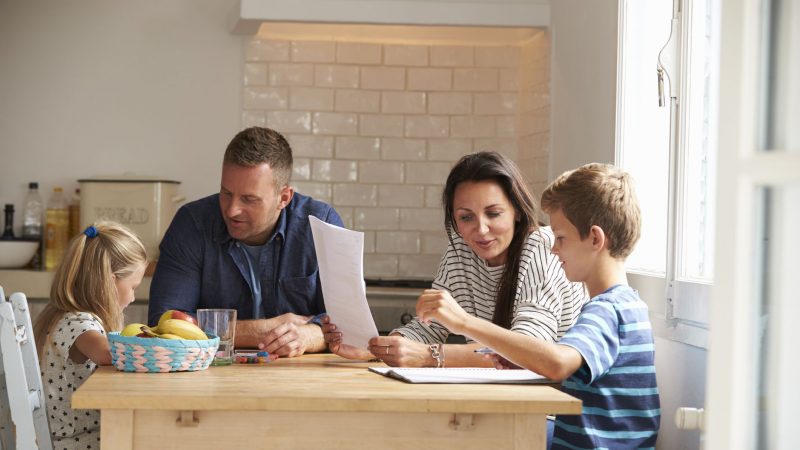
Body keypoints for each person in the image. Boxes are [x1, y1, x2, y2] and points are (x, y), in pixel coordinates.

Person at [416, 163, 660, 449]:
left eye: (560, 238)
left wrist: (464, 322)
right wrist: (520, 359)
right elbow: (569, 372)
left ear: (595, 238)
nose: (553, 248)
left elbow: (557, 363)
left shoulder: (609, 310)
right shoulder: (626, 305)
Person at [324, 151, 587, 367]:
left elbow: (527, 351)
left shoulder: (542, 247)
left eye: (493, 213)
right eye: (466, 217)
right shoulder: (460, 251)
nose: (480, 229)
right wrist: (374, 348)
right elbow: (428, 329)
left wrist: (429, 356)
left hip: (558, 400)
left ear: (517, 211)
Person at [148, 127, 343, 357]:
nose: (232, 210)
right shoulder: (191, 224)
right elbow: (162, 325)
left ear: (284, 198)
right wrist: (260, 331)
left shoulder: (322, 225)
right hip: (212, 373)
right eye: (226, 193)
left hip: (302, 375)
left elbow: (348, 325)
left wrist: (311, 335)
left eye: (249, 199)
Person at [33, 222, 147, 450]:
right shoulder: (77, 321)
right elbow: (106, 354)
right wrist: (157, 346)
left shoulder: (59, 314)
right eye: (133, 287)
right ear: (110, 281)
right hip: (78, 443)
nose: (133, 297)